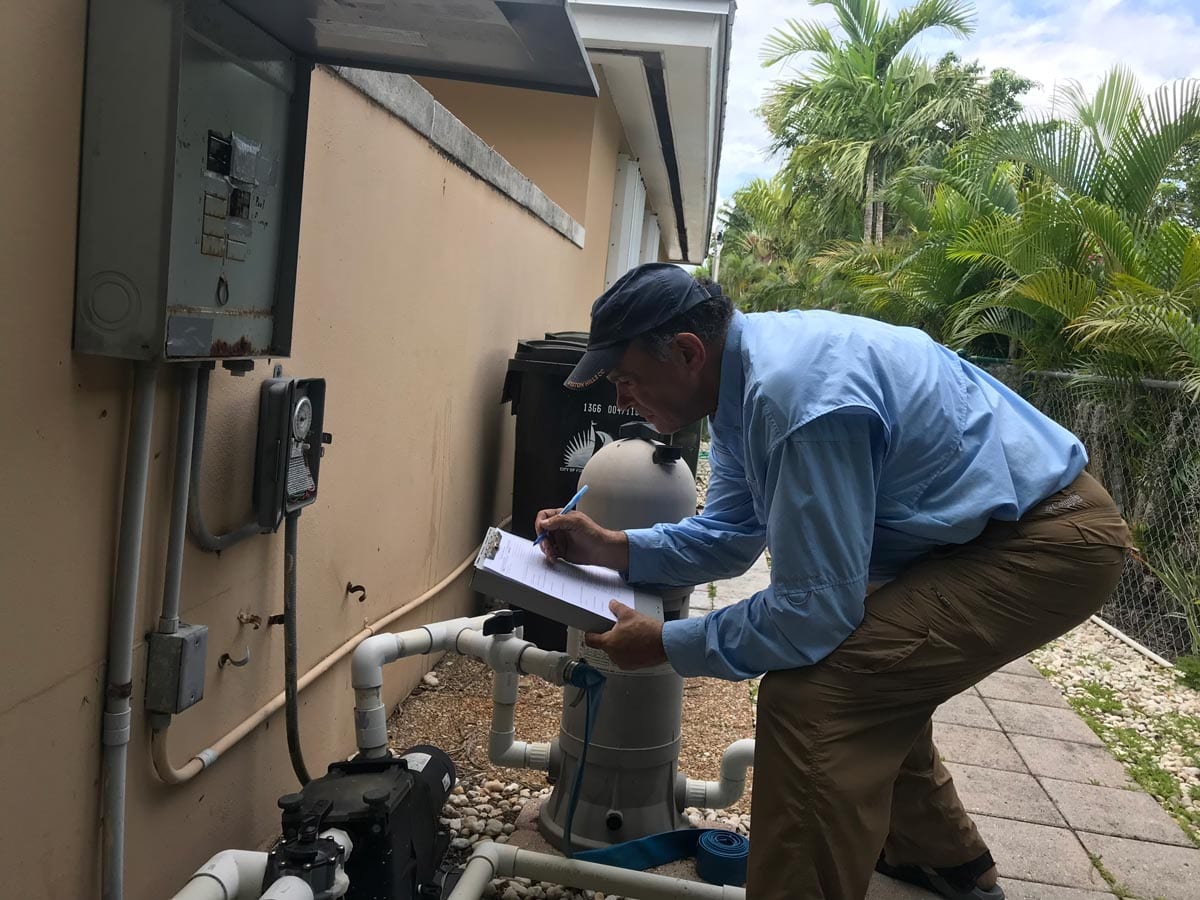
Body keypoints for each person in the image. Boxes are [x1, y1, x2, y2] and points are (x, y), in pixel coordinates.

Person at [534, 263, 1131, 900]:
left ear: (686, 352)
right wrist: (613, 547)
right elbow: (733, 534)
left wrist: (666, 645)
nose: (621, 400)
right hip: (981, 536)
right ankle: (943, 864)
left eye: (626, 380)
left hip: (1047, 540)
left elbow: (811, 612)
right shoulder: (738, 386)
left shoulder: (794, 399)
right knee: (874, 673)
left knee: (816, 698)